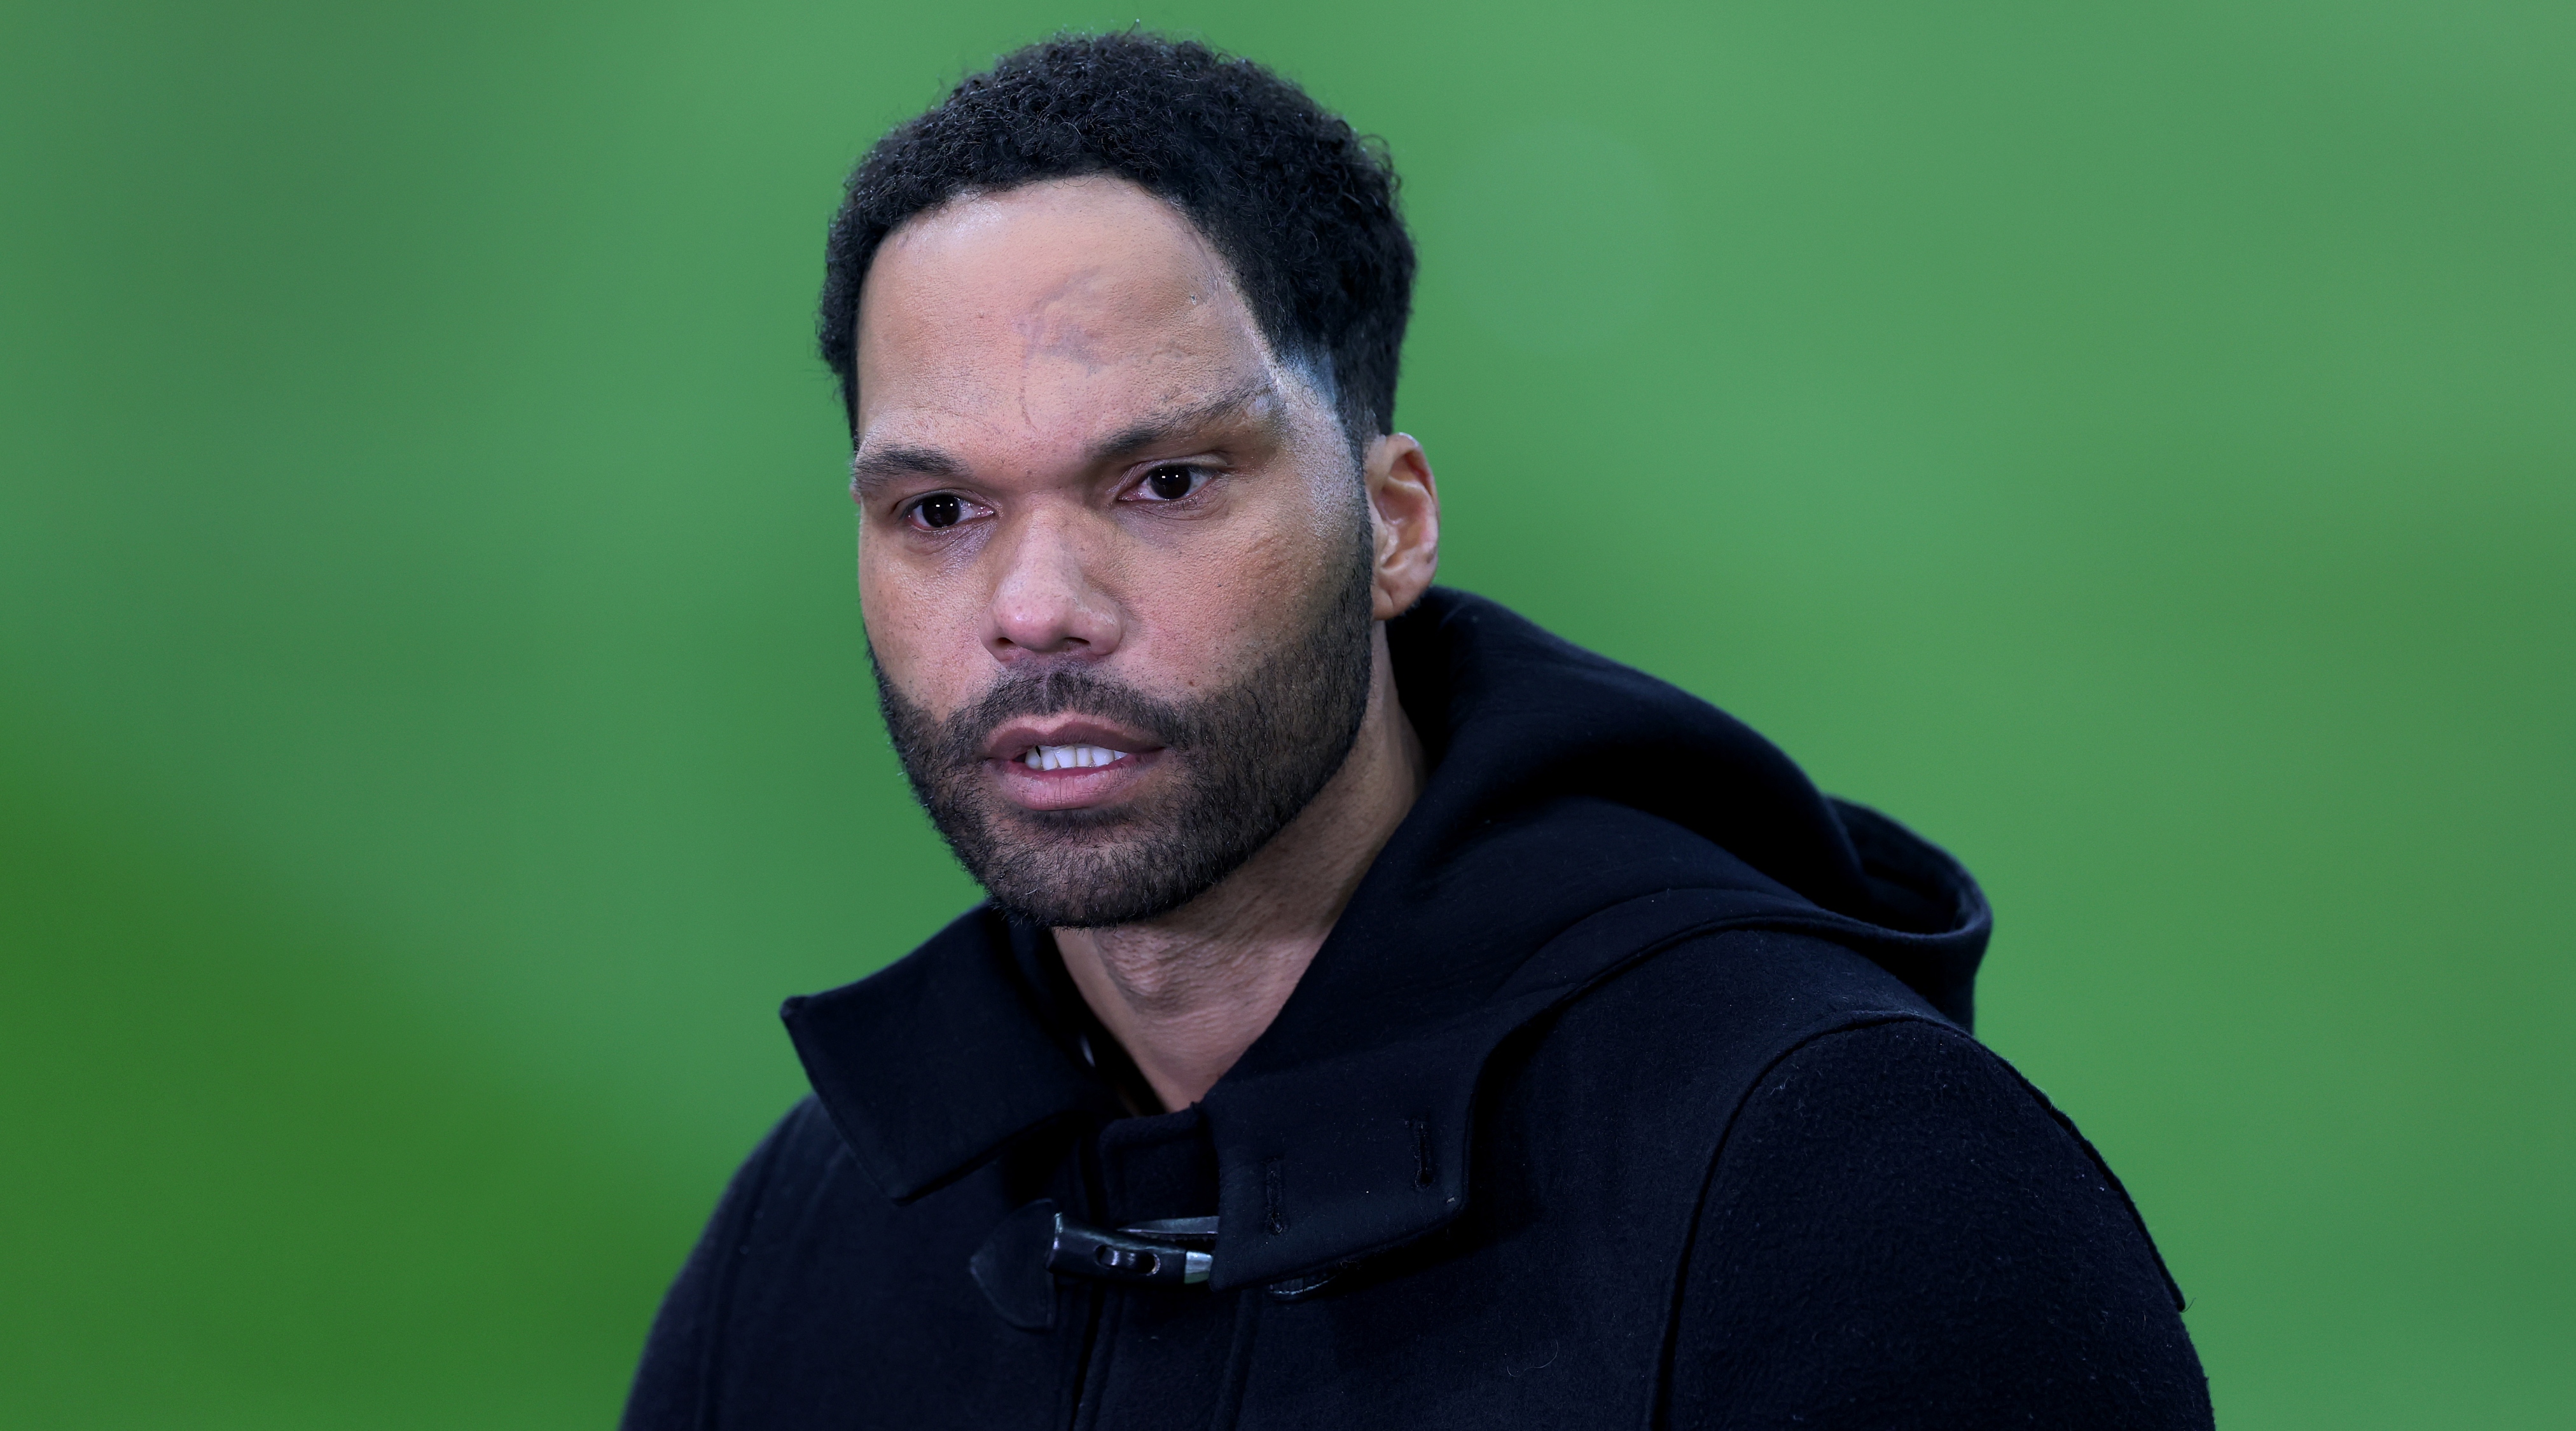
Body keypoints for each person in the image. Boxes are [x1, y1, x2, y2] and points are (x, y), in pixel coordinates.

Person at [622, 31, 2212, 1430]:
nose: (1035, 604)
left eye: (1165, 482)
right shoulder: (811, 1237)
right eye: (939, 507)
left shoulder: (1859, 1193)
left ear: (1391, 525)